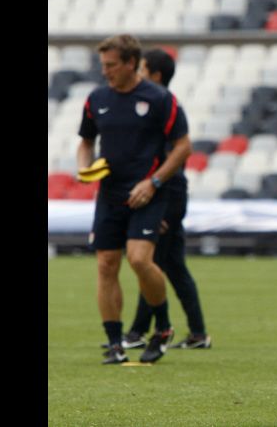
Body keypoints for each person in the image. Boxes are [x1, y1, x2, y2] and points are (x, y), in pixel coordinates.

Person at [77, 34, 191, 364]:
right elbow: (86, 141)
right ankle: (115, 343)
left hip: (148, 194)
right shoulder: (96, 98)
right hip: (109, 194)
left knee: (140, 260)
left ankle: (164, 326)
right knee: (106, 264)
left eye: (111, 65)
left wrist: (153, 182)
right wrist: (84, 166)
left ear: (130, 63)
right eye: (103, 65)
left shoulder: (159, 99)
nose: (106, 72)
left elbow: (183, 147)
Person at [116, 48, 211, 350]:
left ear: (155, 75)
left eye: (142, 69)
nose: (138, 75)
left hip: (167, 195)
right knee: (171, 266)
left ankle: (138, 332)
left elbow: (174, 161)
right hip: (168, 194)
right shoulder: (158, 104)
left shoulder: (160, 106)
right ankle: (196, 333)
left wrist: (166, 211)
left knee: (150, 264)